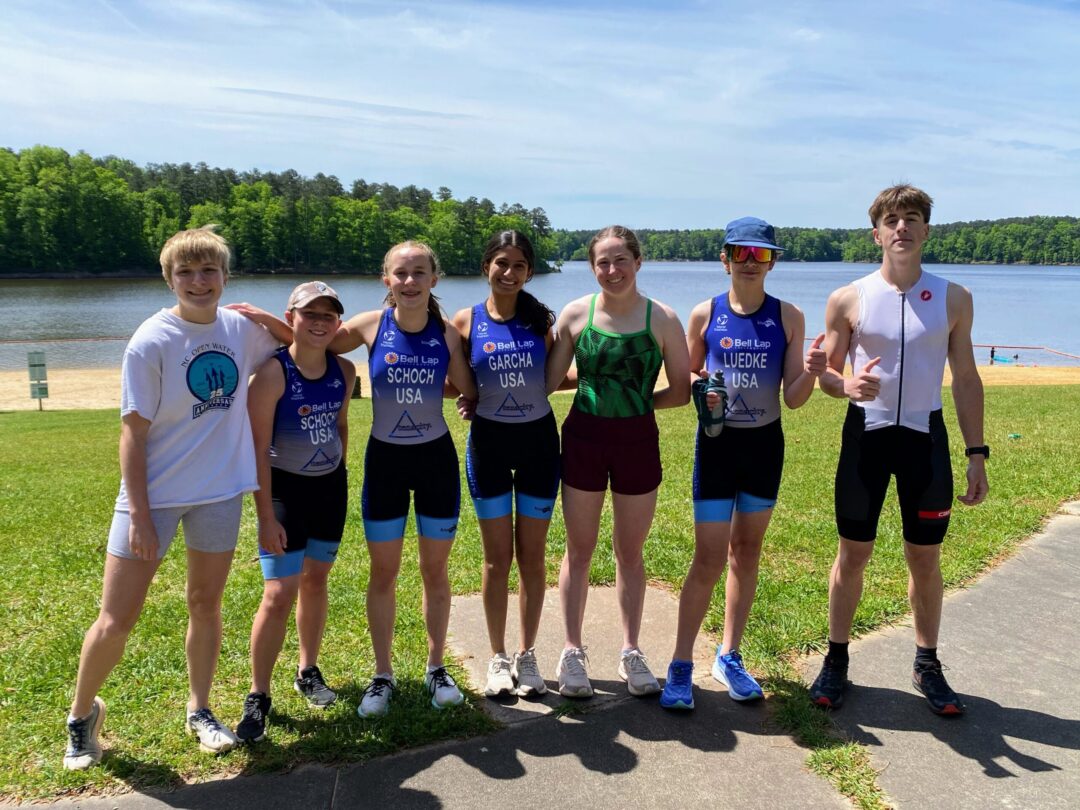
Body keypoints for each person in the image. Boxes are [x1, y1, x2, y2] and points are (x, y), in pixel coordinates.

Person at [63, 226, 283, 769]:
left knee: (205, 605)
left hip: (219, 493)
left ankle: (200, 709)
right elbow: (132, 433)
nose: (198, 281)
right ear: (169, 279)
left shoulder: (239, 329)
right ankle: (80, 715)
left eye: (209, 270)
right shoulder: (152, 340)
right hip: (153, 498)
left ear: (225, 277)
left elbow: (301, 341)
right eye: (186, 272)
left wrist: (262, 313)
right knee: (116, 618)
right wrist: (138, 513)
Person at [811, 184, 989, 715]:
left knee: (924, 556)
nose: (902, 228)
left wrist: (975, 452)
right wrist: (842, 384)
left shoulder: (954, 298)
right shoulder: (849, 298)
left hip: (924, 441)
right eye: (892, 220)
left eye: (912, 219)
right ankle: (836, 660)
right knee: (854, 552)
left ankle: (927, 663)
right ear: (877, 234)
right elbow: (829, 376)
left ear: (926, 230)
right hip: (866, 438)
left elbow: (965, 379)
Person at [659, 217, 826, 710]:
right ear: (725, 258)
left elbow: (793, 399)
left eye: (762, 255)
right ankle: (680, 665)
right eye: (741, 253)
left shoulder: (789, 317)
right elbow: (689, 372)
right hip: (716, 446)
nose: (751, 264)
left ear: (772, 261)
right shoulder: (704, 314)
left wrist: (813, 373)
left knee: (747, 551)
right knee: (707, 557)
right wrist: (700, 389)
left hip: (764, 446)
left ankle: (729, 655)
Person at [330, 241, 477, 717]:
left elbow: (468, 386)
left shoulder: (448, 332)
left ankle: (436, 668)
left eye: (419, 272)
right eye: (400, 273)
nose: (409, 281)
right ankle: (383, 674)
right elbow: (309, 341)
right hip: (385, 463)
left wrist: (467, 397)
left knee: (435, 571)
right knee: (384, 573)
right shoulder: (371, 325)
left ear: (434, 278)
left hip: (435, 461)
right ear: (386, 280)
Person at [546, 225, 691, 698]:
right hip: (585, 438)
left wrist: (637, 403)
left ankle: (631, 651)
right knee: (579, 549)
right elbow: (549, 379)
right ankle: (572, 651)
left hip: (637, 441)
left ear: (638, 262)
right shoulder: (575, 314)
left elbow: (682, 391)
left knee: (630, 552)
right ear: (592, 267)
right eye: (602, 262)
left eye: (620, 260)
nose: (612, 270)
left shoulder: (663, 319)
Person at [235, 282, 356, 743]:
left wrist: (336, 469)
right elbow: (257, 449)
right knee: (278, 593)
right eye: (310, 314)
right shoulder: (271, 374)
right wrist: (265, 516)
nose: (320, 322)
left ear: (338, 323)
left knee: (316, 580)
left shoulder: (344, 370)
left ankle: (307, 670)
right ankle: (258, 695)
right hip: (283, 492)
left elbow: (341, 424)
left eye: (329, 315)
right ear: (292, 318)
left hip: (329, 490)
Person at [450, 231, 559, 698]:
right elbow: (456, 381)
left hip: (538, 445)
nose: (509, 272)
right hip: (489, 445)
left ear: (529, 272)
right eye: (500, 263)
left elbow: (555, 378)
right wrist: (468, 399)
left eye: (518, 265)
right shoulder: (465, 321)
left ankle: (527, 654)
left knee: (532, 559)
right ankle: (497, 657)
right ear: (485, 267)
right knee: (497, 560)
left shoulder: (542, 324)